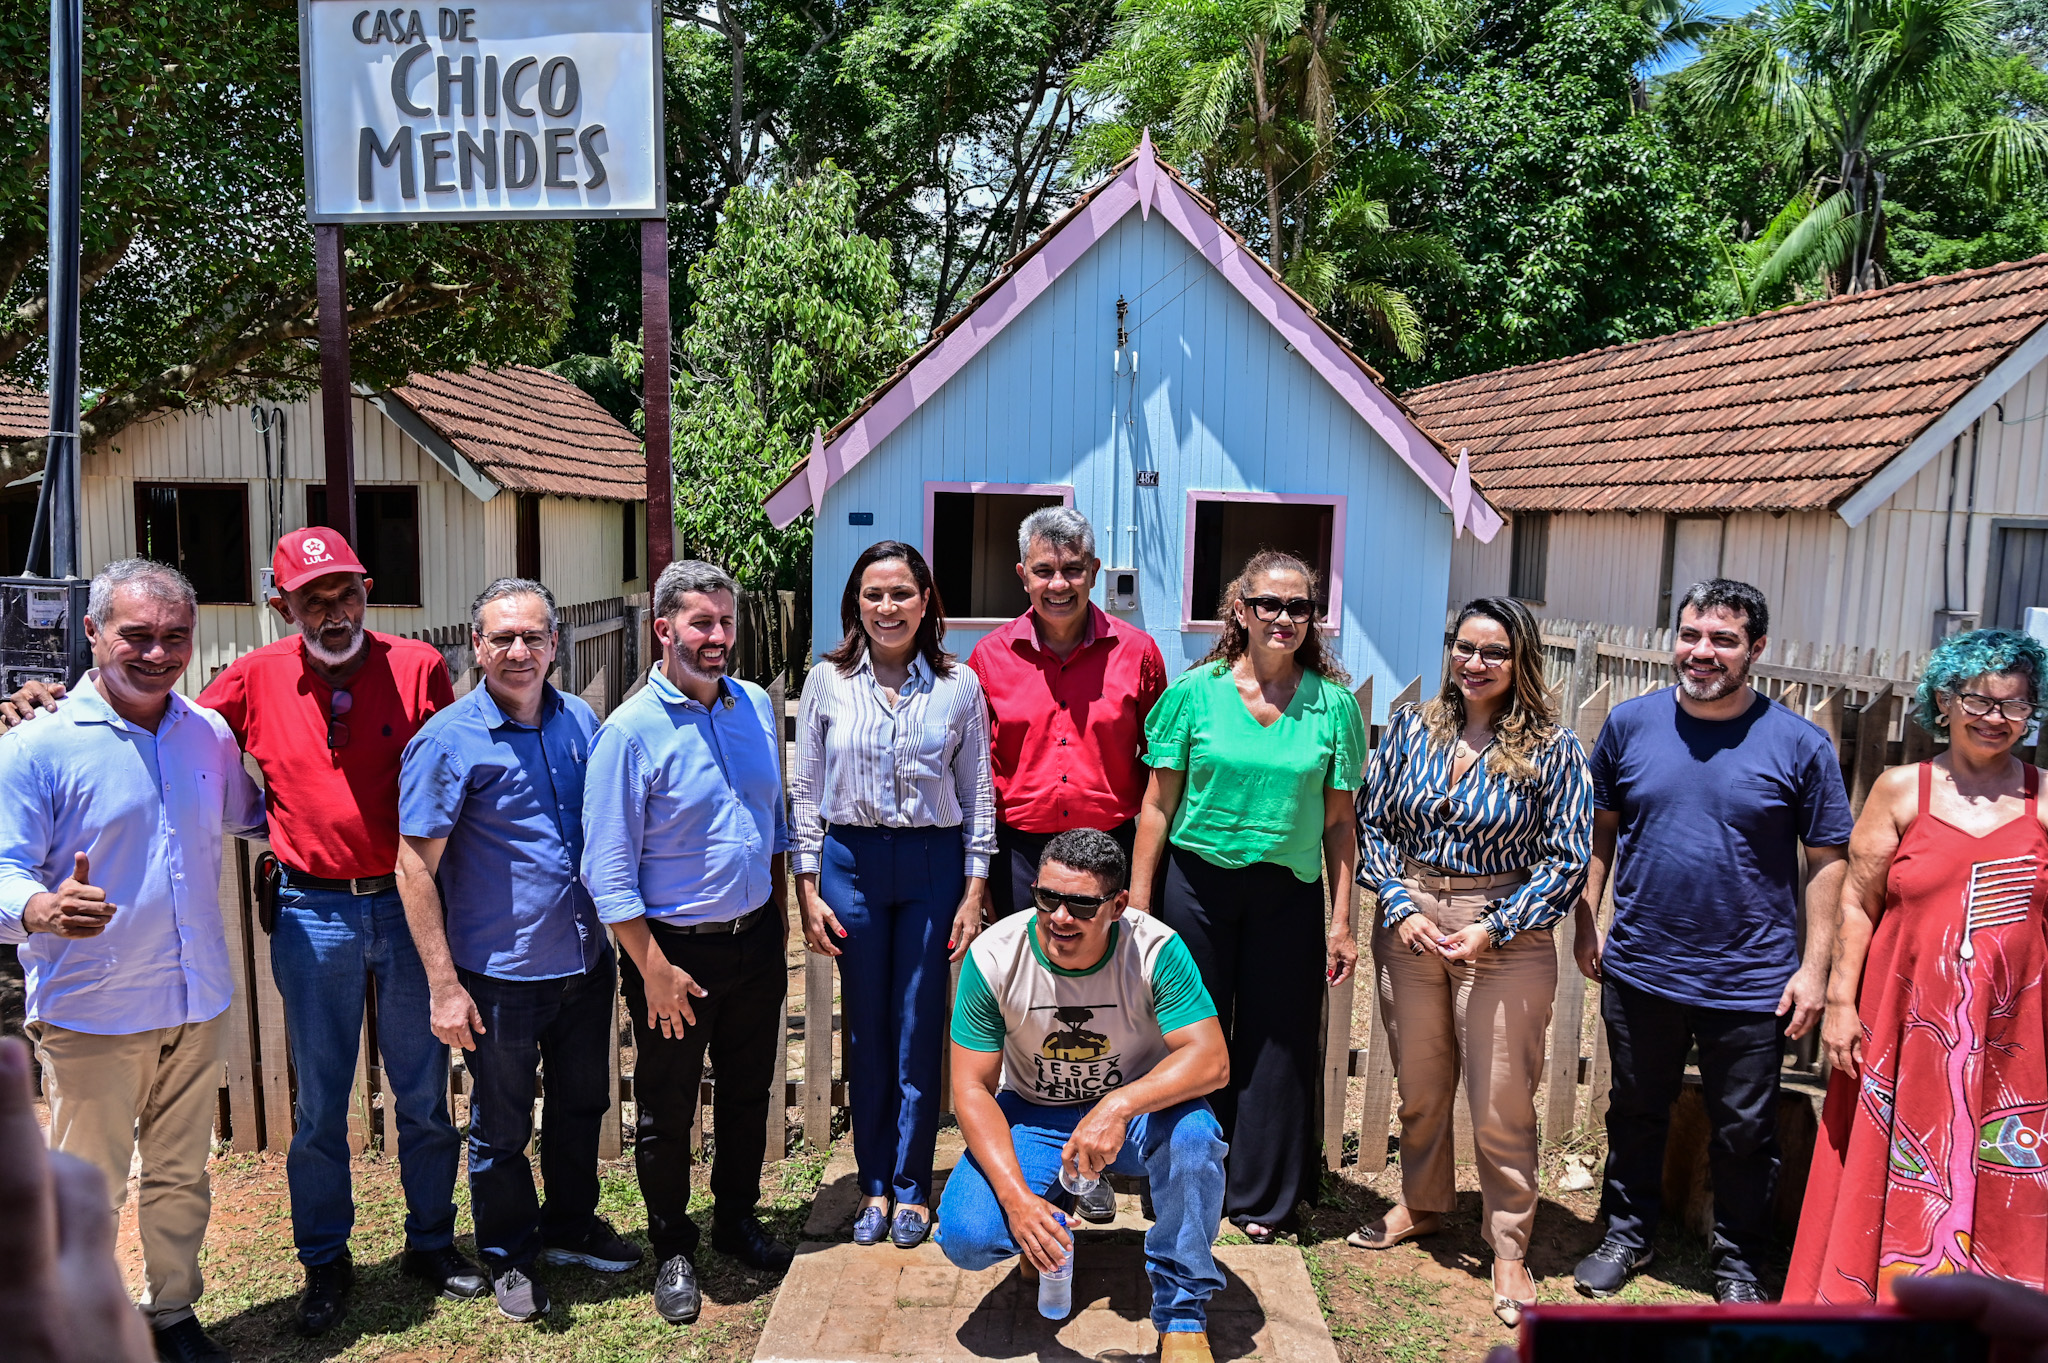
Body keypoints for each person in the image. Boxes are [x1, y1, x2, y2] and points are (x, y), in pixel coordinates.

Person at [0, 560, 266, 1363]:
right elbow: (4, 863)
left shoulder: (206, 734)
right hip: (95, 1009)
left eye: (174, 636)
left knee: (183, 1173)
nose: (157, 651)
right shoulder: (36, 744)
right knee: (88, 1187)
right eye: (137, 634)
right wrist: (38, 907)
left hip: (197, 997)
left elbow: (254, 814)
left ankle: (172, 1313)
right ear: (93, 632)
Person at [1570, 579, 1852, 1304]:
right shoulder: (1630, 725)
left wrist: (1814, 968)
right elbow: (1600, 829)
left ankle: (1738, 1262)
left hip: (1752, 977)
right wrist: (1588, 913)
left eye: (1723, 639)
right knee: (1635, 1108)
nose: (1702, 651)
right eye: (1691, 633)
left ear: (1755, 649)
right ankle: (1628, 1234)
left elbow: (1828, 861)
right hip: (1641, 963)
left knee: (1746, 1131)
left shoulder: (1800, 745)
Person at [396, 578, 642, 1324]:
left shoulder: (580, 722)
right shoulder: (447, 739)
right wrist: (444, 984)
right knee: (502, 1127)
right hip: (498, 975)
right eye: (501, 636)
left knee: (583, 1104)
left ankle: (568, 1226)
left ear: (555, 645)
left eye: (533, 636)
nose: (518, 650)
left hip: (582, 962)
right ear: (476, 646)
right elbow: (413, 866)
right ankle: (508, 1253)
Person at [1350, 596, 1592, 1327]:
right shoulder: (1414, 730)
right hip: (1413, 919)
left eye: (1493, 651)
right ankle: (1424, 1203)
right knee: (1421, 1085)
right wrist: (1399, 902)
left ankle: (1509, 1242)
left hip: (1506, 932)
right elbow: (1372, 822)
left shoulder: (1554, 746)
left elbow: (1567, 858)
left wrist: (1498, 925)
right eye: (1464, 647)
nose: (1475, 662)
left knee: (1501, 1100)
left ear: (1520, 660)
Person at [1788, 629, 2048, 1301]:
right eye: (1978, 700)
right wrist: (1841, 1004)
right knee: (1890, 1157)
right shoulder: (1903, 789)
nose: (1995, 717)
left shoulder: (2045, 800)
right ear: (1945, 700)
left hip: (2010, 1037)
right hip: (1902, 1027)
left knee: (2001, 1163)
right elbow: (1857, 903)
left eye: (2014, 706)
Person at [1128, 550, 1366, 1243]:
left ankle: (1261, 1196)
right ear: (1241, 608)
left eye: (1300, 607)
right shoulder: (1193, 694)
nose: (1284, 618)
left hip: (1287, 892)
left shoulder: (1334, 707)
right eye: (1270, 604)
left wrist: (1342, 920)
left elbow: (1340, 821)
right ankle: (1178, 1173)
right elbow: (1155, 808)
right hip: (1196, 885)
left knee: (1276, 1041)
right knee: (1188, 1035)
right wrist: (1141, 906)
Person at [582, 559, 795, 1326]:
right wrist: (653, 969)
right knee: (668, 1106)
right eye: (701, 623)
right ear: (663, 628)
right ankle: (674, 1242)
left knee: (748, 1088)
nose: (717, 637)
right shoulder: (630, 732)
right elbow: (607, 871)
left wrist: (778, 913)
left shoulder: (753, 708)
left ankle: (736, 1218)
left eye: (725, 622)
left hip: (756, 938)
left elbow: (773, 822)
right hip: (673, 953)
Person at [935, 828, 1230, 1363]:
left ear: (1118, 905)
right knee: (968, 1235)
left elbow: (1211, 1060)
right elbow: (970, 1088)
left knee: (1194, 1136)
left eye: (1081, 904)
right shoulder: (995, 956)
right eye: (1047, 898)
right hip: (1034, 1110)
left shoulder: (1156, 948)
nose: (1060, 917)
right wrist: (1017, 1201)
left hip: (1139, 1114)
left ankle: (1183, 1310)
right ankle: (1040, 1220)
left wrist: (1117, 1105)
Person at [791, 542, 996, 1249]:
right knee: (865, 1032)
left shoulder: (958, 686)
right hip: (851, 862)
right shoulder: (826, 680)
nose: (887, 607)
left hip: (932, 863)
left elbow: (978, 795)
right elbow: (806, 791)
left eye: (902, 593)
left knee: (917, 1030)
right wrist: (808, 885)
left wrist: (974, 890)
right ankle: (872, 1182)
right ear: (856, 603)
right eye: (874, 594)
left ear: (925, 601)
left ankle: (913, 1187)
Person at [0, 1035, 156, 1363]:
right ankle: (79, 1311)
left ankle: (172, 1315)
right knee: (85, 1198)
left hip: (198, 1003)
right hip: (89, 1014)